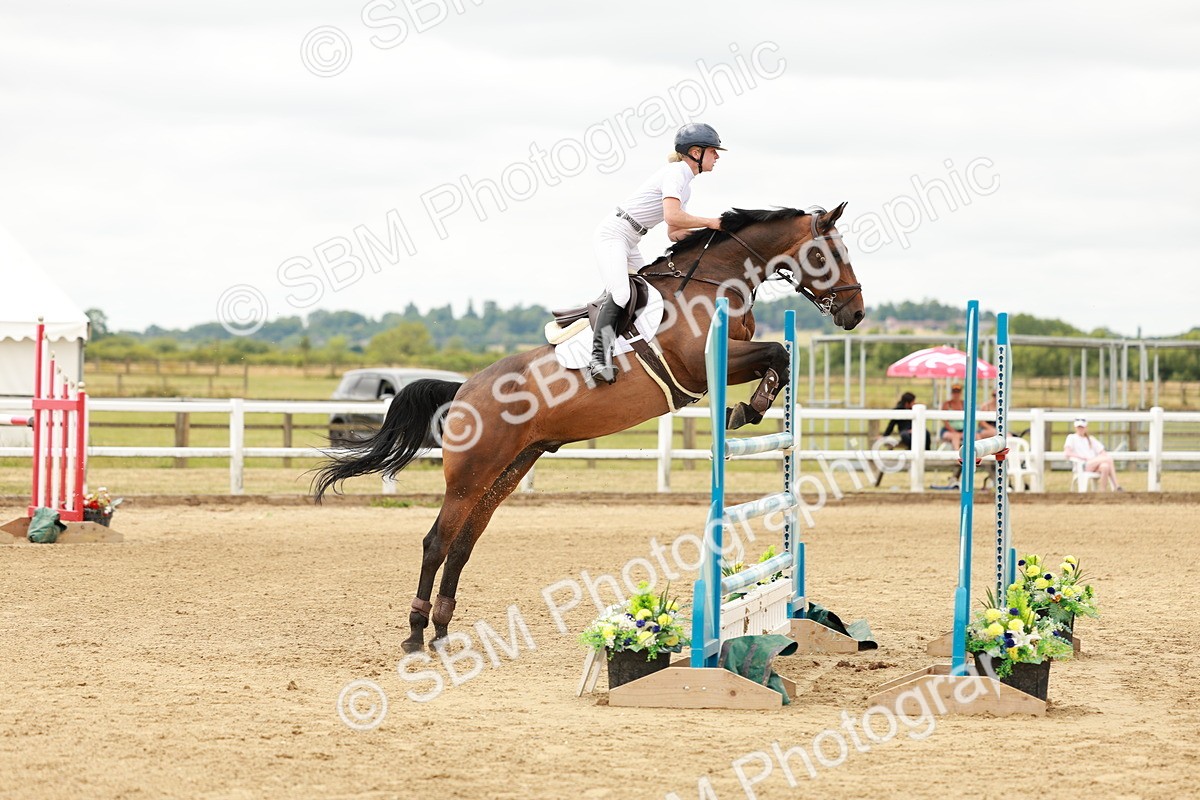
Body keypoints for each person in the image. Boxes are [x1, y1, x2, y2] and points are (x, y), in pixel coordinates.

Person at [586, 123, 725, 384]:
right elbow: (672, 216)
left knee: (653, 292)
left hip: (631, 238)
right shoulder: (677, 172)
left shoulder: (686, 183)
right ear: (696, 152)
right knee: (621, 293)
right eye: (714, 151)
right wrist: (710, 222)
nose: (717, 157)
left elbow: (674, 232)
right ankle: (598, 358)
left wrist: (714, 237)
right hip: (613, 234)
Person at [1064, 417, 1123, 491]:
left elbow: (1102, 452)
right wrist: (1081, 457)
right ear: (1075, 427)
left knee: (1105, 466)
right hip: (1083, 465)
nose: (1080, 429)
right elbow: (1067, 453)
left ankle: (1102, 491)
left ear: (1086, 428)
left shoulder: (1091, 439)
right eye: (1079, 427)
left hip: (1094, 464)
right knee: (1109, 458)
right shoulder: (1071, 437)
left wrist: (1100, 458)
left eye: (1082, 427)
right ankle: (1116, 486)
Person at [940, 384, 965, 450]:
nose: (956, 394)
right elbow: (945, 422)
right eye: (954, 392)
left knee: (975, 436)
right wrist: (953, 431)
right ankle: (957, 457)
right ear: (952, 393)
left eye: (958, 392)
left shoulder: (964, 404)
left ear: (960, 393)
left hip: (963, 430)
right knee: (955, 436)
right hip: (948, 430)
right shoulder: (947, 404)